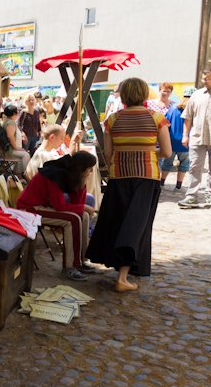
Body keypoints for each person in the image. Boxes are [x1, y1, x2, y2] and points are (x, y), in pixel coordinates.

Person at [86, 77, 171, 292]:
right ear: (144, 94)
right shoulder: (157, 118)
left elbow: (108, 153)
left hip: (119, 176)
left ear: (123, 95)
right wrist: (149, 152)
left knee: (119, 222)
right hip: (147, 177)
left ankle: (122, 271)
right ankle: (123, 278)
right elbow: (167, 153)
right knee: (136, 225)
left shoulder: (112, 119)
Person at [17, 152, 99, 281]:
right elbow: (60, 206)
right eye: (89, 169)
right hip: (29, 208)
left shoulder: (69, 172)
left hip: (42, 206)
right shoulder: (55, 174)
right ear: (82, 167)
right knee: (72, 220)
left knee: (82, 216)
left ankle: (79, 261)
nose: (91, 171)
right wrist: (83, 207)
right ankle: (69, 267)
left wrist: (82, 182)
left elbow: (77, 203)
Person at [178, 72, 211, 208]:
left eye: (208, 78)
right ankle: (191, 196)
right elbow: (188, 116)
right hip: (197, 137)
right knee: (194, 167)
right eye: (204, 78)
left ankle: (209, 196)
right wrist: (185, 135)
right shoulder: (196, 95)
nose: (205, 81)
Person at [160, 88, 190, 191]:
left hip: (171, 141)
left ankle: (162, 183)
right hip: (186, 142)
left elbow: (165, 122)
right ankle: (178, 186)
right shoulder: (192, 109)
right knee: (184, 164)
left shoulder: (173, 107)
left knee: (167, 163)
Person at [1, 104, 30, 175]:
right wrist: (16, 148)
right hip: (10, 151)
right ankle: (18, 175)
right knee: (25, 155)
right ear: (14, 113)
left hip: (11, 149)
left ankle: (17, 175)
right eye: (17, 111)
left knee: (25, 154)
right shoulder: (10, 123)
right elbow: (10, 136)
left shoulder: (9, 121)